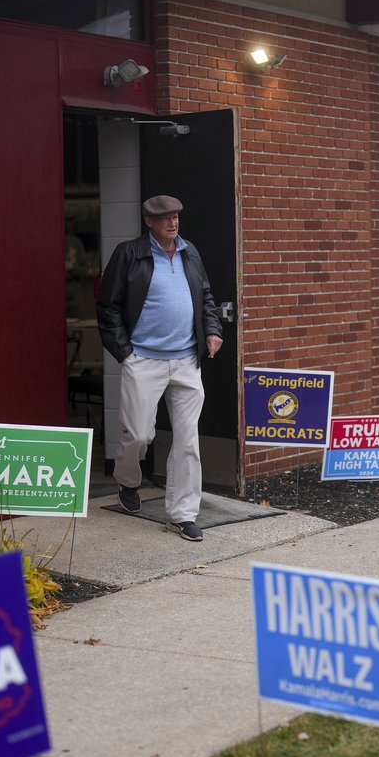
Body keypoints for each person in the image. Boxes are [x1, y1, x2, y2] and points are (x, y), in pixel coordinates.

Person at [97, 195, 223, 541]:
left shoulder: (189, 251)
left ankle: (182, 515)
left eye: (176, 216)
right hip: (143, 359)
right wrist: (126, 353)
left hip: (186, 361)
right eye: (164, 218)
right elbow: (108, 308)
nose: (172, 222)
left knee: (187, 440)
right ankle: (128, 481)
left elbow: (206, 296)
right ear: (149, 222)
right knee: (138, 435)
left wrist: (212, 330)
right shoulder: (129, 253)